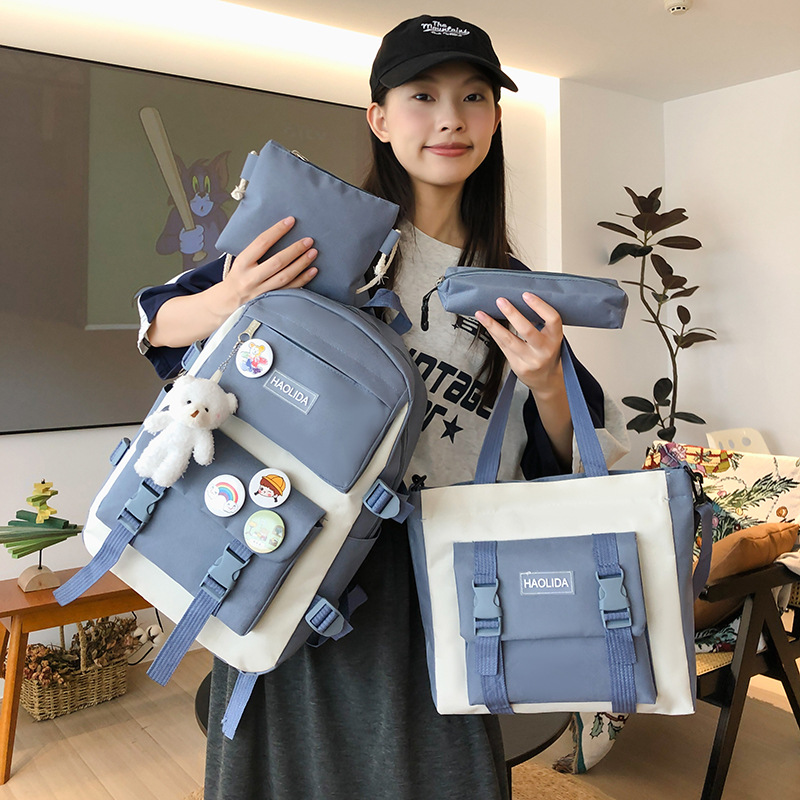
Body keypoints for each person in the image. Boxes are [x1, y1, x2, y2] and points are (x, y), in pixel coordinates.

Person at [136, 14, 627, 799]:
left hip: (439, 580)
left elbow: (561, 459)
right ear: (379, 118)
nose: (450, 119)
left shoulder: (510, 284)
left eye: (473, 97)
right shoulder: (328, 238)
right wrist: (228, 298)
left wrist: (544, 383)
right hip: (294, 547)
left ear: (496, 120)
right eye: (422, 96)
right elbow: (161, 326)